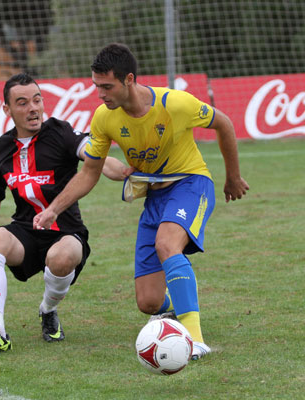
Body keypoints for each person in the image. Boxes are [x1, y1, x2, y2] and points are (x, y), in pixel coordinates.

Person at [34, 43, 250, 361]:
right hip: (154, 197)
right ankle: (179, 307)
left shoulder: (175, 103)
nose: (101, 94)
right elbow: (90, 172)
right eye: (97, 86)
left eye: (107, 86)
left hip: (191, 183)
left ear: (129, 80)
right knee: (148, 302)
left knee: (167, 244)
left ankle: (196, 339)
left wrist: (232, 177)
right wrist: (54, 208)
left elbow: (224, 124)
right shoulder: (104, 118)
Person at [0, 72, 125, 357]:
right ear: (7, 109)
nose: (33, 108)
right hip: (25, 232)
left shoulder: (60, 132)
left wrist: (124, 173)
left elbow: (95, 157)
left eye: (37, 100)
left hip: (66, 232)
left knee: (61, 259)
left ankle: (47, 310)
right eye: (23, 103)